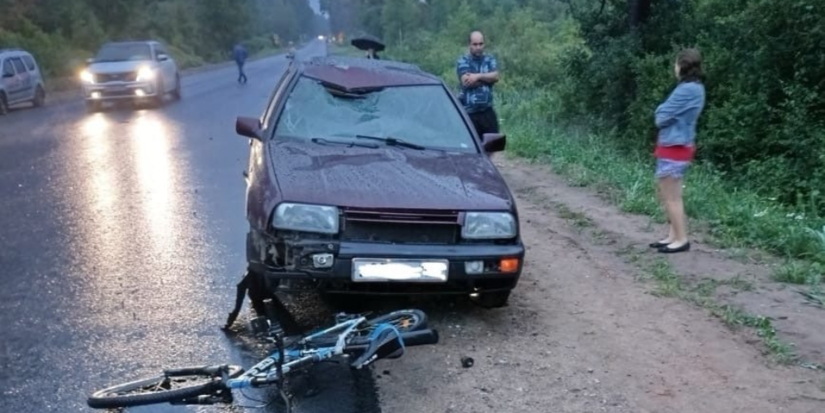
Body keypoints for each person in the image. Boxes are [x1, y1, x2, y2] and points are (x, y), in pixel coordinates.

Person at [649, 48, 706, 254]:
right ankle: (673, 236)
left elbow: (661, 116)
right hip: (678, 145)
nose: (674, 68)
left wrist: (661, 111)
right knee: (670, 194)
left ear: (682, 66)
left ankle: (681, 239)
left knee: (671, 196)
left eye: (675, 64)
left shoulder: (686, 90)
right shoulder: (696, 88)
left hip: (675, 146)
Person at [456, 30, 500, 138]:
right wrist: (487, 80)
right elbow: (467, 82)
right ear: (469, 45)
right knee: (474, 148)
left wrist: (477, 77)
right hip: (469, 114)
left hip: (487, 111)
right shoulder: (463, 61)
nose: (478, 47)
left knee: (493, 145)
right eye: (475, 44)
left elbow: (496, 76)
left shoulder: (490, 59)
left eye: (481, 44)